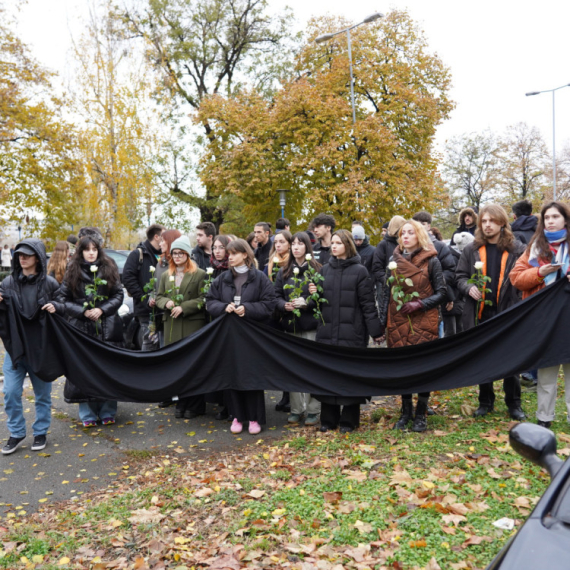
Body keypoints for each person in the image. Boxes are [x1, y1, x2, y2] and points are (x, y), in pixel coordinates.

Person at [455, 204, 526, 420]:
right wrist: (469, 287)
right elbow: (459, 277)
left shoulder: (517, 249)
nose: (487, 225)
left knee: (511, 358)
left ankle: (514, 403)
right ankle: (485, 401)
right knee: (483, 357)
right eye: (484, 221)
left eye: (491, 221)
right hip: (480, 313)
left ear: (502, 222)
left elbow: (524, 278)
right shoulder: (471, 249)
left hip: (508, 311)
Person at [309, 229, 382, 433]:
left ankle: (349, 420)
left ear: (347, 246)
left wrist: (375, 331)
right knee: (328, 374)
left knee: (350, 375)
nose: (333, 246)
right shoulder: (324, 271)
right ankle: (328, 419)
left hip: (352, 333)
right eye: (332, 243)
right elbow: (317, 306)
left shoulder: (360, 271)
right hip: (327, 332)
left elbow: (368, 304)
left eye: (338, 243)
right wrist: (313, 294)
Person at [380, 221, 447, 432]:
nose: (406, 236)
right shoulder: (393, 261)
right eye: (403, 233)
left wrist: (420, 303)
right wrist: (383, 321)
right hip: (399, 320)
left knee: (423, 367)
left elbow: (442, 292)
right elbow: (385, 292)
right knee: (403, 366)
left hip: (423, 319)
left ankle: (421, 412)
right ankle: (406, 411)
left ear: (419, 235)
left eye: (410, 232)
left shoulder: (431, 261)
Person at [206, 239, 276, 435]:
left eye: (234, 254)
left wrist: (248, 309)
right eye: (229, 254)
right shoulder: (222, 278)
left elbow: (269, 304)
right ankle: (237, 416)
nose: (230, 258)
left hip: (252, 336)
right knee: (232, 374)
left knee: (252, 377)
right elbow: (210, 301)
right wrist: (223, 307)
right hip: (230, 336)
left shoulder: (260, 278)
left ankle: (254, 418)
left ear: (245, 255)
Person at [0, 239, 63, 454]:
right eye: (19, 254)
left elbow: (65, 306)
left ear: (38, 256)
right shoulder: (7, 284)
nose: (22, 258)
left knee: (43, 396)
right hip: (16, 350)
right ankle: (17, 433)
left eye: (27, 254)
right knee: (9, 392)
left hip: (42, 350)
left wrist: (57, 306)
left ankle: (40, 432)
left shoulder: (50, 284)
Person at [510, 201, 570, 428]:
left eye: (556, 217)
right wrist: (538, 272)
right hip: (545, 319)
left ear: (565, 219)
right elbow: (516, 278)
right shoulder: (535, 247)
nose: (551, 221)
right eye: (547, 218)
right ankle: (545, 418)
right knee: (546, 372)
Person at [58, 236, 124, 427]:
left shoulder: (108, 267)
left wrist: (102, 309)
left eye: (94, 249)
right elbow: (62, 298)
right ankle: (87, 413)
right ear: (81, 252)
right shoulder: (73, 270)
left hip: (107, 328)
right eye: (87, 249)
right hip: (82, 329)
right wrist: (82, 311)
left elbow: (118, 294)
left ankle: (108, 410)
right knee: (84, 369)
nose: (91, 253)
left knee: (108, 369)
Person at [156, 235, 207, 419]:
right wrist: (167, 303)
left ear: (187, 254)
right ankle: (181, 402)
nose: (177, 257)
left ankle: (195, 404)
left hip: (191, 325)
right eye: (174, 253)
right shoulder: (165, 275)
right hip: (171, 325)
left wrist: (184, 307)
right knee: (177, 366)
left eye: (180, 253)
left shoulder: (199, 274)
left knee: (192, 365)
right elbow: (159, 295)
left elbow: (203, 299)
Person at [274, 232, 322, 426]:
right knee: (293, 368)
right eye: (293, 244)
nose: (296, 247)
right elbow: (275, 296)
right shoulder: (283, 271)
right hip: (291, 326)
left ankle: (313, 410)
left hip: (310, 325)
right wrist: (283, 305)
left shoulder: (317, 270)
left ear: (307, 247)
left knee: (312, 367)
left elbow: (322, 297)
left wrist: (308, 302)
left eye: (300, 244)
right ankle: (296, 409)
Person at [122, 224, 165, 351]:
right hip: (146, 311)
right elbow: (128, 279)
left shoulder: (165, 255)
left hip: (162, 308)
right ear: (157, 237)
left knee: (162, 343)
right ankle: (147, 368)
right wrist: (144, 298)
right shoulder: (138, 254)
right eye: (164, 235)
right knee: (150, 342)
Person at [442, 231, 474, 336]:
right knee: (451, 332)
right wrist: (450, 299)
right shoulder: (455, 259)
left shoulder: (457, 257)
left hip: (457, 299)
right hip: (452, 300)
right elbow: (447, 280)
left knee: (458, 329)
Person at [154, 230, 182, 349]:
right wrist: (153, 297)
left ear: (171, 242)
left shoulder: (185, 266)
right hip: (163, 316)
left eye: (162, 241)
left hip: (181, 317)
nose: (160, 244)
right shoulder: (159, 264)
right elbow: (157, 289)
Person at [372, 215, 406, 306]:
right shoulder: (383, 245)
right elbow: (377, 267)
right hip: (385, 288)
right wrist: (388, 281)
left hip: (403, 287)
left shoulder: (404, 243)